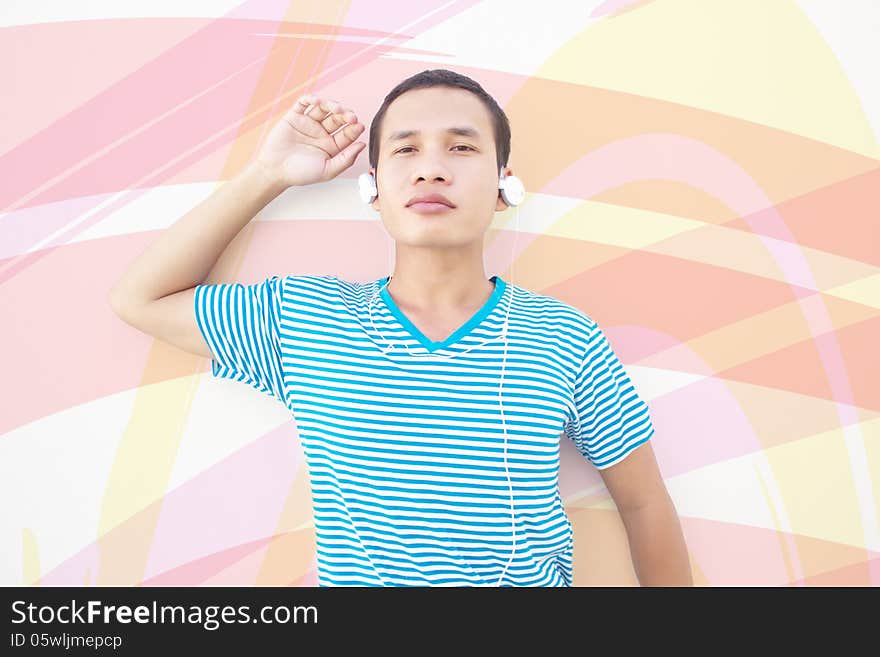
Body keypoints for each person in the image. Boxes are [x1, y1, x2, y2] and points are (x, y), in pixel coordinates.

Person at [108, 68, 692, 587]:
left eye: (462, 148)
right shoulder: (304, 319)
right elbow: (140, 298)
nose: (432, 170)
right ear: (373, 187)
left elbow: (644, 503)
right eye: (405, 150)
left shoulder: (564, 336)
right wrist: (268, 174)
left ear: (502, 186)